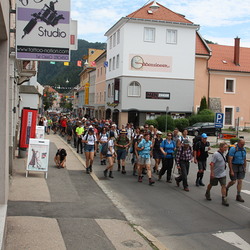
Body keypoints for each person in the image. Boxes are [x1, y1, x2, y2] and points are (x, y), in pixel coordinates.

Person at [205, 142, 229, 206]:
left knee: (223, 185)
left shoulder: (224, 153)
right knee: (211, 184)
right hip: (215, 173)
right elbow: (212, 164)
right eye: (225, 147)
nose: (226, 149)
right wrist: (212, 173)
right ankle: (207, 192)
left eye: (226, 147)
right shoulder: (216, 154)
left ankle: (224, 199)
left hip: (222, 173)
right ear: (220, 147)